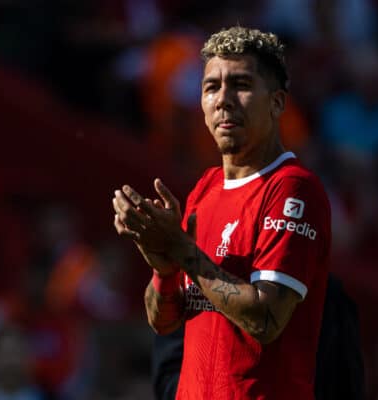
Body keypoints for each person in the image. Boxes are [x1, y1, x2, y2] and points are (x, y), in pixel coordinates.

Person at [112, 26, 331, 399]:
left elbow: (265, 318)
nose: (223, 100)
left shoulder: (293, 188)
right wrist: (163, 267)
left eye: (241, 84)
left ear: (278, 103)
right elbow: (163, 322)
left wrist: (182, 251)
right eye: (211, 87)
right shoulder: (205, 189)